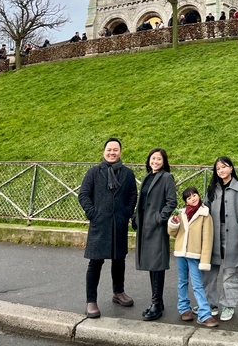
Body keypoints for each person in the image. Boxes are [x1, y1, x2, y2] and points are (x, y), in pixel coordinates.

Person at [78, 138, 138, 319]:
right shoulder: (94, 172)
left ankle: (118, 292)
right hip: (100, 223)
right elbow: (83, 194)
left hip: (118, 223)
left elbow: (133, 194)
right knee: (95, 263)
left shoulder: (127, 173)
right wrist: (93, 213)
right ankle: (91, 301)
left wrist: (127, 212)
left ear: (120, 152)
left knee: (119, 260)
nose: (112, 153)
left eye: (116, 150)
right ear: (104, 151)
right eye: (109, 150)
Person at [201, 157, 238, 322]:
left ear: (231, 168)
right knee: (208, 271)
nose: (221, 170)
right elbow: (205, 207)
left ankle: (228, 305)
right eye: (218, 168)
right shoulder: (213, 188)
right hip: (213, 233)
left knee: (231, 271)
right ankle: (209, 303)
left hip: (233, 233)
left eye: (224, 167)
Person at [133, 148, 177, 321]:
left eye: (159, 159)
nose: (155, 162)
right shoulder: (147, 176)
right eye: (153, 158)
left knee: (157, 265)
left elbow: (171, 201)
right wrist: (136, 217)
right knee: (151, 265)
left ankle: (156, 304)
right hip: (144, 226)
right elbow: (142, 200)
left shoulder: (167, 177)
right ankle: (157, 302)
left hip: (156, 227)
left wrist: (159, 218)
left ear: (164, 162)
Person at [168, 187, 218, 328]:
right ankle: (184, 309)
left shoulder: (205, 214)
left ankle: (204, 314)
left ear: (198, 195)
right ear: (186, 202)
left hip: (194, 255)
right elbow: (173, 233)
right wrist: (173, 223)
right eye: (189, 198)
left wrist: (205, 260)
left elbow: (208, 240)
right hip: (180, 253)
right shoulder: (182, 213)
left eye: (194, 195)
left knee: (197, 284)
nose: (193, 199)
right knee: (182, 281)